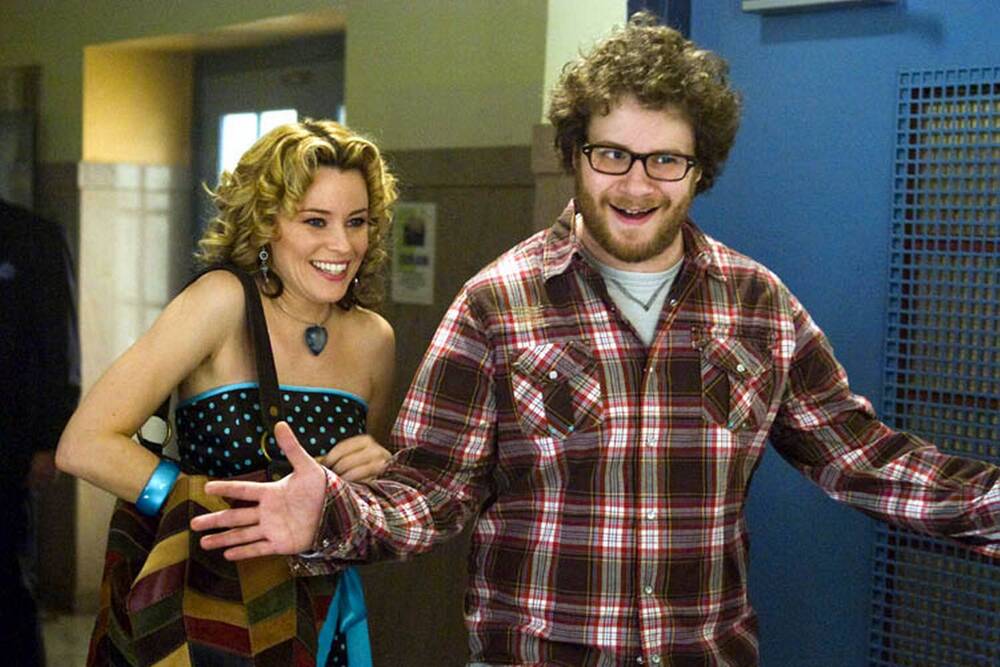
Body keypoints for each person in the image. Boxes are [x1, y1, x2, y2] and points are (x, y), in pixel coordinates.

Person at [191, 15, 1000, 665]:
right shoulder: (497, 305)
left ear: (701, 168)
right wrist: (332, 516)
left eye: (666, 160)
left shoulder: (759, 306)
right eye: (612, 153)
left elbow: (863, 456)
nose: (637, 184)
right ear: (574, 153)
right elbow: (432, 490)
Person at [56, 119, 398, 666]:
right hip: (205, 614)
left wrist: (377, 474)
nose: (342, 244)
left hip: (317, 618)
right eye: (315, 221)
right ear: (266, 223)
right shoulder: (221, 302)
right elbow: (84, 444)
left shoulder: (375, 339)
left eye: (356, 222)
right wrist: (200, 505)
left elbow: (351, 508)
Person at [0, 198, 80, 667]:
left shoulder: (31, 236)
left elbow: (59, 346)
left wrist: (50, 440)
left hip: (10, 447)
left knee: (8, 579)